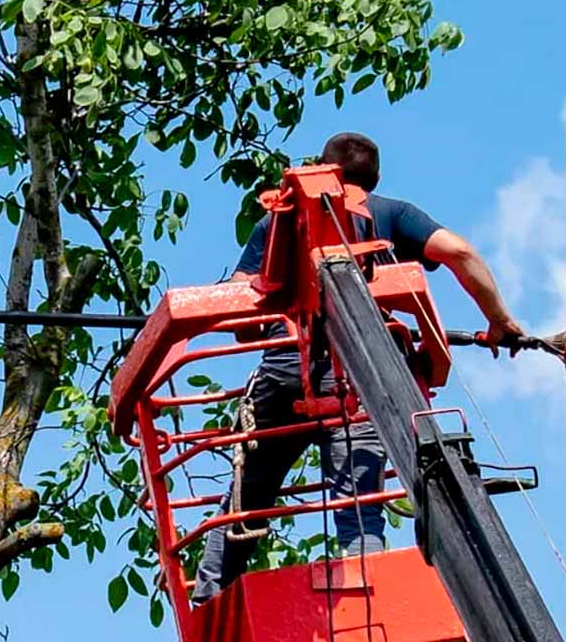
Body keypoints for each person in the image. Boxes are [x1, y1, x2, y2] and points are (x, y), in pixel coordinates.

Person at [191, 131, 523, 604]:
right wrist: (499, 320)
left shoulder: (278, 220)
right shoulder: (393, 214)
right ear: (376, 178)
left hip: (285, 370)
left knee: (249, 495)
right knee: (359, 503)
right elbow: (460, 253)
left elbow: (242, 309)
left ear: (320, 167)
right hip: (360, 377)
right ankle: (371, 603)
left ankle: (208, 601)